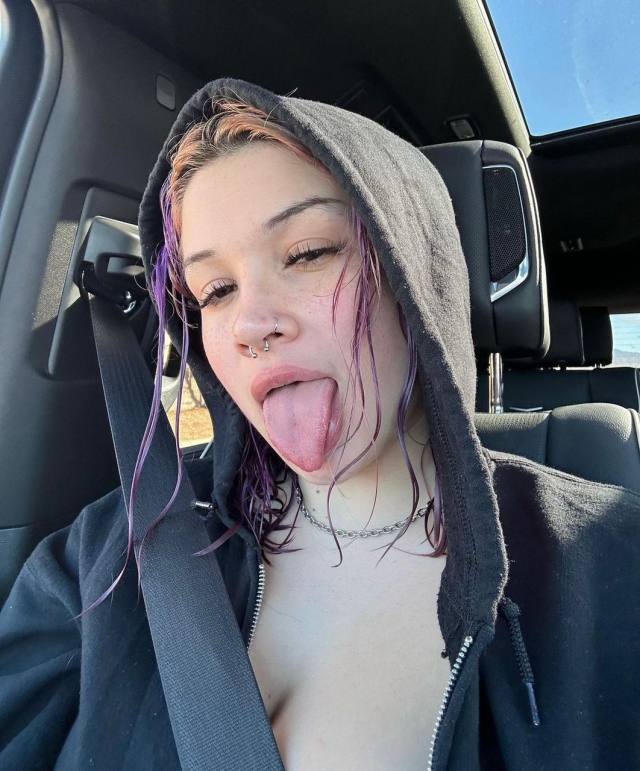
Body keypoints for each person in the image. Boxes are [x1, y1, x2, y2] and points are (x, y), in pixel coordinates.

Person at [0, 77, 639, 771]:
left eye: (307, 253)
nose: (249, 324)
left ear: (412, 273)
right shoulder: (111, 548)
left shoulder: (612, 564)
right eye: (216, 289)